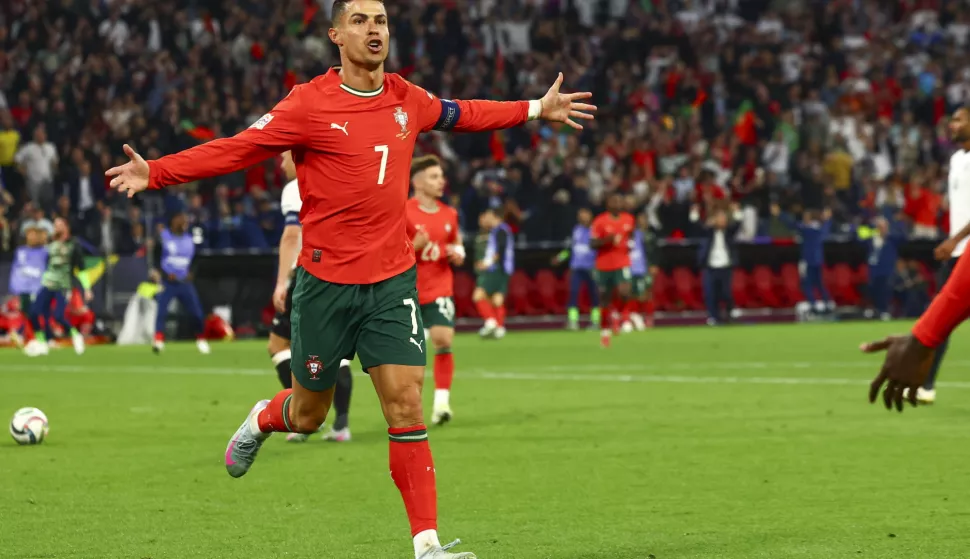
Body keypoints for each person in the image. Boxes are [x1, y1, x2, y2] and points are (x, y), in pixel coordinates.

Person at [105, 2, 594, 557]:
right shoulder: (307, 104)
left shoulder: (407, 98)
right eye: (359, 20)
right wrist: (158, 172)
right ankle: (263, 418)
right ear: (336, 35)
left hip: (391, 284)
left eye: (381, 20)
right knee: (308, 414)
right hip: (324, 287)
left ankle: (427, 544)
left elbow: (467, 113)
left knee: (406, 405)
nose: (374, 30)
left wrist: (535, 108)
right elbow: (237, 148)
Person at [270, 151, 353, 443]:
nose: (281, 164)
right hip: (343, 273)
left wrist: (282, 282)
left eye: (284, 157)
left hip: (309, 275)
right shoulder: (336, 179)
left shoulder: (296, 187)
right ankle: (340, 423)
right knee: (335, 347)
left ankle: (303, 417)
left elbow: (293, 235)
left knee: (279, 344)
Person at [905, 106, 970, 404]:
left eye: (958, 119)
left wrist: (954, 238)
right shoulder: (956, 160)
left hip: (962, 248)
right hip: (958, 252)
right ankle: (925, 385)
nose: (952, 124)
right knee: (940, 320)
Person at [406, 155, 464, 425]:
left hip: (440, 287)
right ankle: (408, 405)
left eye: (441, 176)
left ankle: (441, 404)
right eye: (434, 176)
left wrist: (458, 253)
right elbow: (387, 251)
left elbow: (457, 243)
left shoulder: (449, 213)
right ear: (417, 182)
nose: (441, 181)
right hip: (406, 290)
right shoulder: (402, 211)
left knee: (443, 339)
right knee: (407, 354)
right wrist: (413, 247)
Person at [23, 217, 91, 356]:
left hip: (63, 285)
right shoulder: (50, 243)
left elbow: (81, 268)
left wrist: (87, 288)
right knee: (34, 312)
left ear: (66, 227)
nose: (56, 227)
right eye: (55, 225)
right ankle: (42, 343)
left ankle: (75, 335)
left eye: (59, 224)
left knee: (59, 316)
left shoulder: (73, 244)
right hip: (47, 283)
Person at [152, 211, 210, 355]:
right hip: (168, 282)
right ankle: (158, 339)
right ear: (173, 221)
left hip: (184, 281)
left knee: (196, 312)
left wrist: (192, 273)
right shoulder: (164, 238)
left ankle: (201, 339)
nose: (184, 223)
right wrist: (163, 274)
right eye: (181, 220)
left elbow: (198, 257)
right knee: (162, 311)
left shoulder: (190, 239)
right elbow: (156, 256)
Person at [772, 204, 834, 317]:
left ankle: (814, 305)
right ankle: (827, 304)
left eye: (806, 216)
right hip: (818, 260)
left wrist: (780, 214)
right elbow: (826, 228)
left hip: (808, 261)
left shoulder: (807, 229)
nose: (803, 218)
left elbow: (792, 224)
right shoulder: (820, 229)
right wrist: (828, 219)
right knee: (819, 284)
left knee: (807, 285)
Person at [590, 192, 635, 347]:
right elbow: (592, 244)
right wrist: (606, 240)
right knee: (604, 297)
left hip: (622, 262)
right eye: (613, 201)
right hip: (603, 264)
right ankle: (605, 331)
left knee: (625, 292)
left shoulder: (629, 219)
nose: (616, 204)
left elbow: (631, 236)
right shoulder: (599, 221)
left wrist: (630, 246)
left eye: (619, 201)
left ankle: (619, 314)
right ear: (607, 204)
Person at [552, 207, 599, 331]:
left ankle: (596, 321)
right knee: (573, 293)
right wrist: (560, 258)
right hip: (577, 268)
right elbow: (569, 249)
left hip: (592, 268)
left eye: (584, 214)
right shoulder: (576, 230)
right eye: (580, 214)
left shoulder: (596, 230)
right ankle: (573, 321)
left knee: (594, 295)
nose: (581, 217)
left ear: (590, 215)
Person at [695, 205, 741, 325]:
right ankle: (713, 316)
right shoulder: (708, 232)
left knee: (726, 292)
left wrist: (736, 212)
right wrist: (694, 214)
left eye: (723, 218)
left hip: (725, 266)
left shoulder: (729, 233)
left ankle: (729, 313)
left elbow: (737, 224)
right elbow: (697, 227)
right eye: (719, 218)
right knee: (710, 293)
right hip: (710, 267)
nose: (722, 221)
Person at [473, 207, 513, 339]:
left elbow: (499, 253)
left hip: (496, 269)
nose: (486, 218)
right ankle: (500, 327)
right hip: (503, 270)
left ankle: (491, 321)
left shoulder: (500, 231)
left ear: (495, 216)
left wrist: (486, 264)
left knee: (478, 295)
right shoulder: (501, 230)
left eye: (488, 215)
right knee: (496, 299)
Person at [857, 216, 907, 321]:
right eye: (879, 226)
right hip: (874, 270)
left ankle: (884, 311)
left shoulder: (892, 239)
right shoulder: (871, 239)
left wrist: (894, 225)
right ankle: (875, 310)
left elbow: (903, 237)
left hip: (887, 270)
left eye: (883, 227)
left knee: (885, 290)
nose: (881, 229)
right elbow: (858, 238)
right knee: (873, 290)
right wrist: (867, 228)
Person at [8, 223, 49, 348]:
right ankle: (29, 336)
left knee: (35, 312)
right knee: (28, 312)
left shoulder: (44, 252)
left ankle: (26, 334)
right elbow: (17, 269)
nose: (29, 237)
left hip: (38, 287)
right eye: (28, 234)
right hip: (25, 288)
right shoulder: (21, 251)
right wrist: (15, 286)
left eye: (32, 234)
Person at [625, 212, 660, 332]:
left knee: (645, 294)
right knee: (631, 294)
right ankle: (634, 316)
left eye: (644, 219)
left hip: (644, 268)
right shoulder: (630, 235)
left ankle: (648, 317)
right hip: (630, 268)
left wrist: (653, 264)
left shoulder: (650, 236)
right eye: (640, 219)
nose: (642, 221)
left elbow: (654, 251)